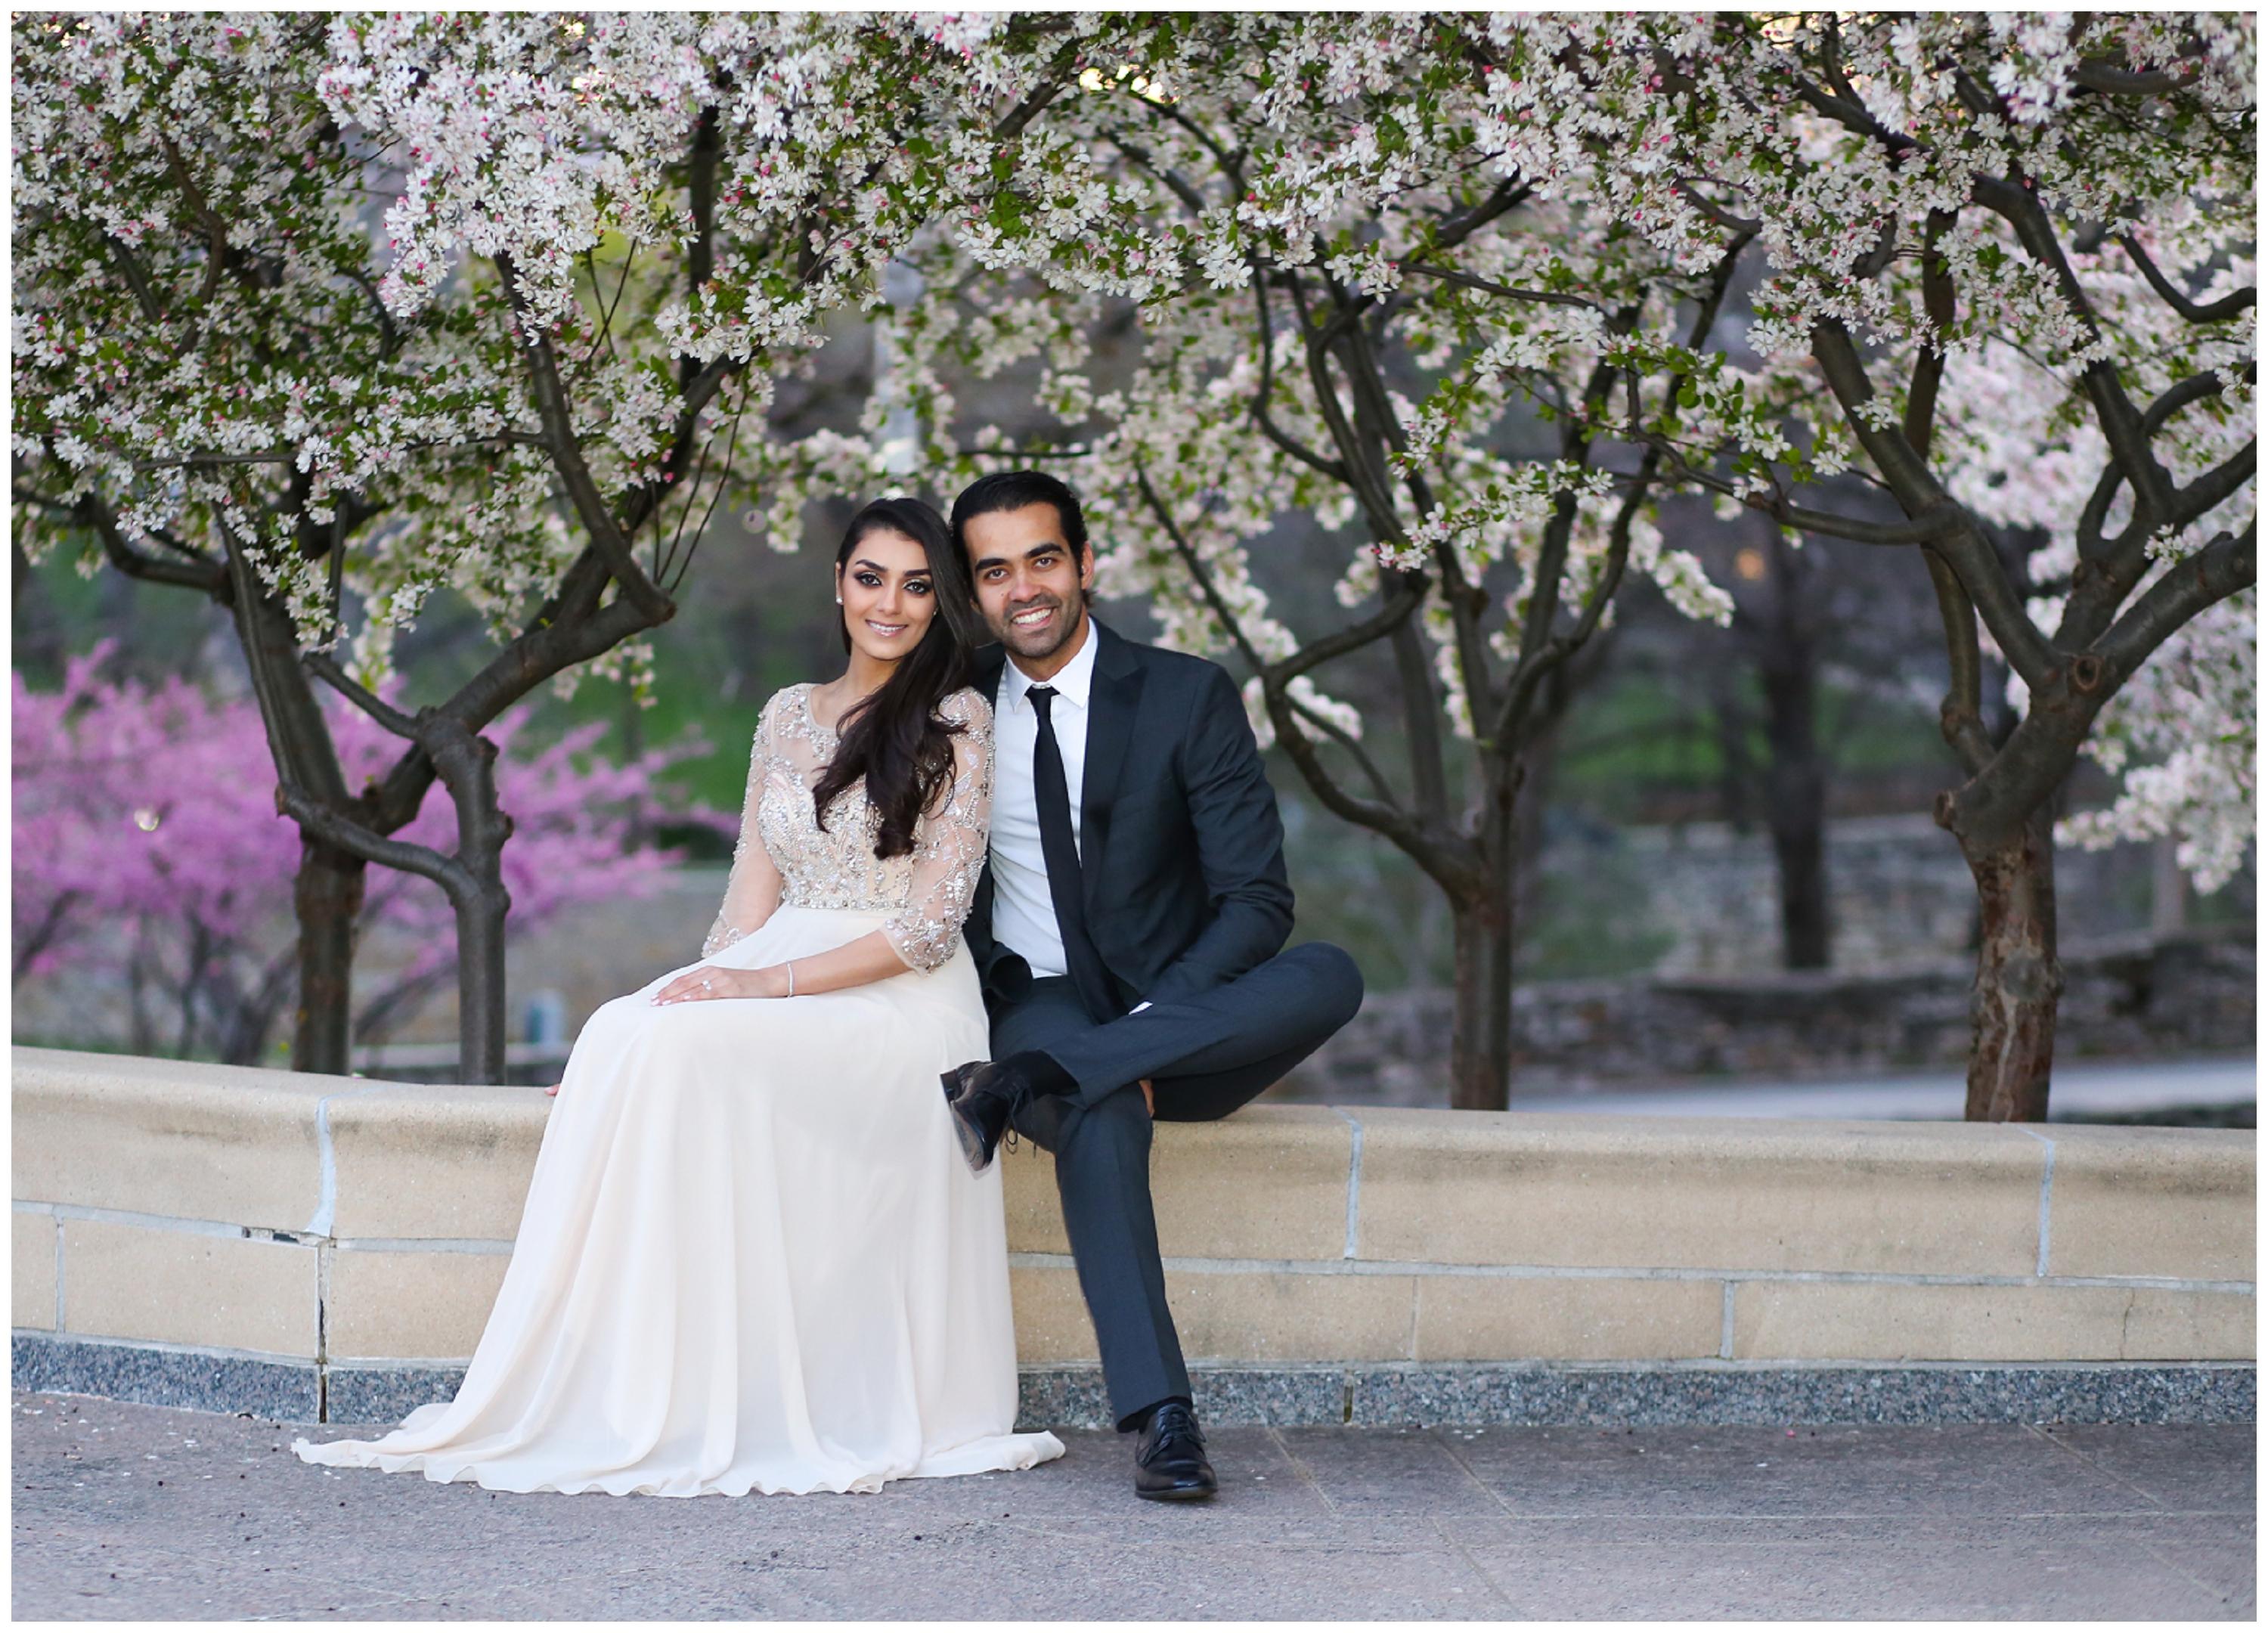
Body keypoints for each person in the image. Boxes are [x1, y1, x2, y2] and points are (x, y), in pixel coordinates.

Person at [296, 497, 1064, 1497]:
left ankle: (706, 1392)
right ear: (838, 583)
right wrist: (661, 1018)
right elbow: (749, 897)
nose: (892, 604)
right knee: (627, 1030)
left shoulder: (957, 719)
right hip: (785, 962)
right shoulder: (786, 713)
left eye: (919, 586)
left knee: (687, 1041)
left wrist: (761, 988)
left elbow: (927, 926)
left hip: (902, 998)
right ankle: (646, 1383)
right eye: (872, 578)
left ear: (942, 602)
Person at [937, 470, 1365, 1503]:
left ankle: (1039, 1078)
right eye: (995, 571)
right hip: (1035, 998)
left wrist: (1152, 1021)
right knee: (1105, 1117)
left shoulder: (1185, 696)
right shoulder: (951, 710)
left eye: (1043, 559)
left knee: (1329, 974)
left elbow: (1258, 902)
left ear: (1085, 564)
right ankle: (1164, 1418)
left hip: (1187, 1020)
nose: (1024, 589)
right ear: (973, 590)